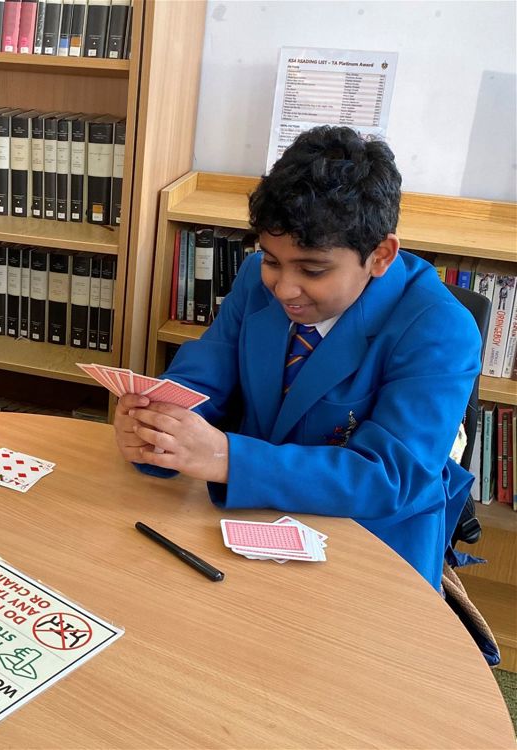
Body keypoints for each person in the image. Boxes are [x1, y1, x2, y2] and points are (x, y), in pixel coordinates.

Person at [114, 126, 481, 590]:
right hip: (242, 520)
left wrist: (226, 458)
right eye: (271, 259)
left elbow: (389, 478)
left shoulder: (440, 328)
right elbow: (204, 376)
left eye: (312, 269)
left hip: (372, 545)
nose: (284, 287)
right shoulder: (254, 278)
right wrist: (159, 428)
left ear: (381, 256)